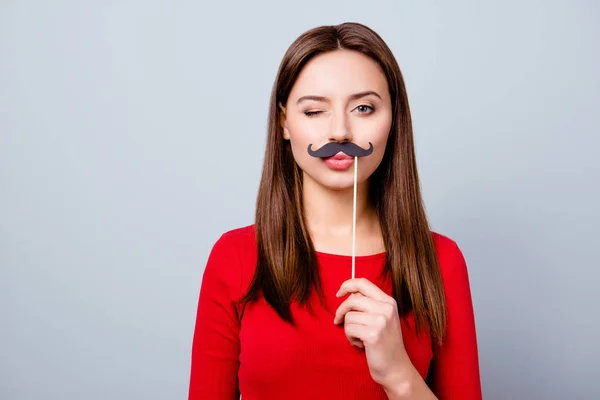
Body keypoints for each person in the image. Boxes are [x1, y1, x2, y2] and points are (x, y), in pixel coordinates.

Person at [189, 22, 482, 400]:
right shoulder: (235, 258)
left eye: (363, 108)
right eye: (314, 111)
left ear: (393, 120)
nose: (340, 132)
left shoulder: (442, 262)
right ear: (284, 123)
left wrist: (398, 373)